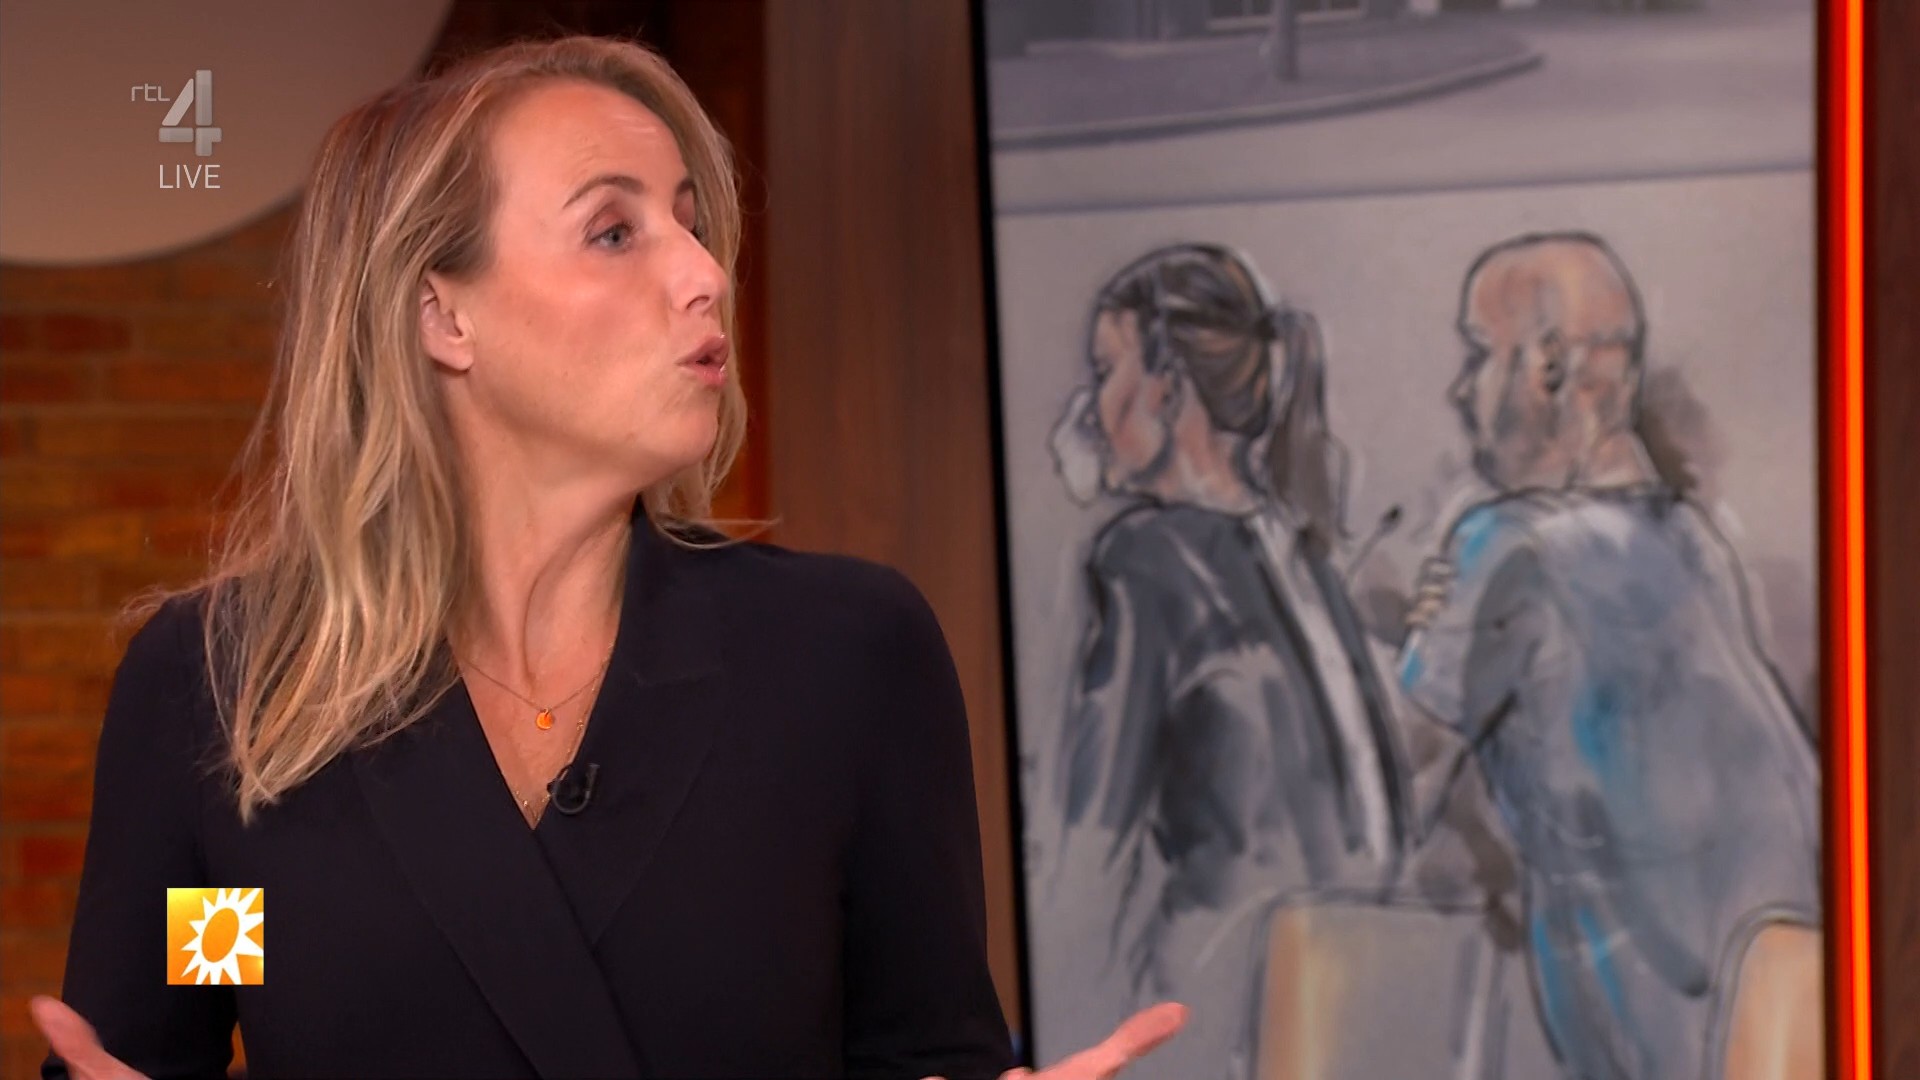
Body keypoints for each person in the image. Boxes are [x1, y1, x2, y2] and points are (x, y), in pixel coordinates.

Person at [29, 34, 1186, 1080]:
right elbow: (181, 1020)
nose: (705, 273)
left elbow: (923, 1056)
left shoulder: (847, 661)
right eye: (615, 231)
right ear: (444, 316)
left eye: (690, 222)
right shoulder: (228, 692)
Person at [1397, 233, 1821, 1080]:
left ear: (1548, 372)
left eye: (1478, 355)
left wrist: (1419, 636)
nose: (1459, 390)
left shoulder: (1508, 545)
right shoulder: (1695, 547)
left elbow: (1384, 798)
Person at [1044, 243, 1412, 1080]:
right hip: (1332, 1007)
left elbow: (1089, 843)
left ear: (1167, 387)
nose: (1091, 408)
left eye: (1105, 371)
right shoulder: (1294, 549)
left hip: (1206, 1017)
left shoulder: (1146, 559)